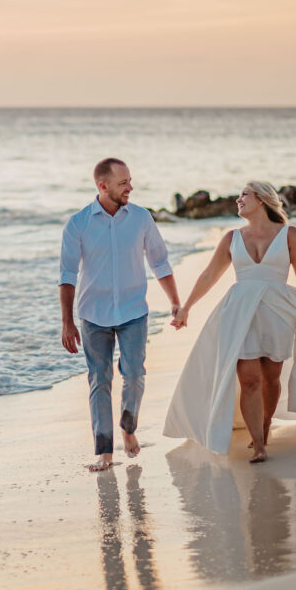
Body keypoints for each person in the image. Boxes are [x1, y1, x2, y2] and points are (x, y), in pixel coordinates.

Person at [163, 181, 296, 463]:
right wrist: (186, 308)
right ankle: (259, 442)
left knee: (271, 378)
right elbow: (208, 276)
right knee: (249, 379)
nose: (238, 199)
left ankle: (265, 424)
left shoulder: (290, 234)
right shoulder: (231, 238)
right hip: (238, 313)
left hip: (278, 310)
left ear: (262, 200)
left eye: (244, 195)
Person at [60, 158, 181, 472]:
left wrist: (175, 302)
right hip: (92, 315)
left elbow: (160, 263)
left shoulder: (141, 218)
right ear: (103, 186)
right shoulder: (78, 223)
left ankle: (128, 427)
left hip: (132, 312)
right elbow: (67, 275)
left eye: (129, 180)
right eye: (123, 182)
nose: (130, 187)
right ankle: (104, 452)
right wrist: (67, 321)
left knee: (135, 374)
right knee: (99, 380)